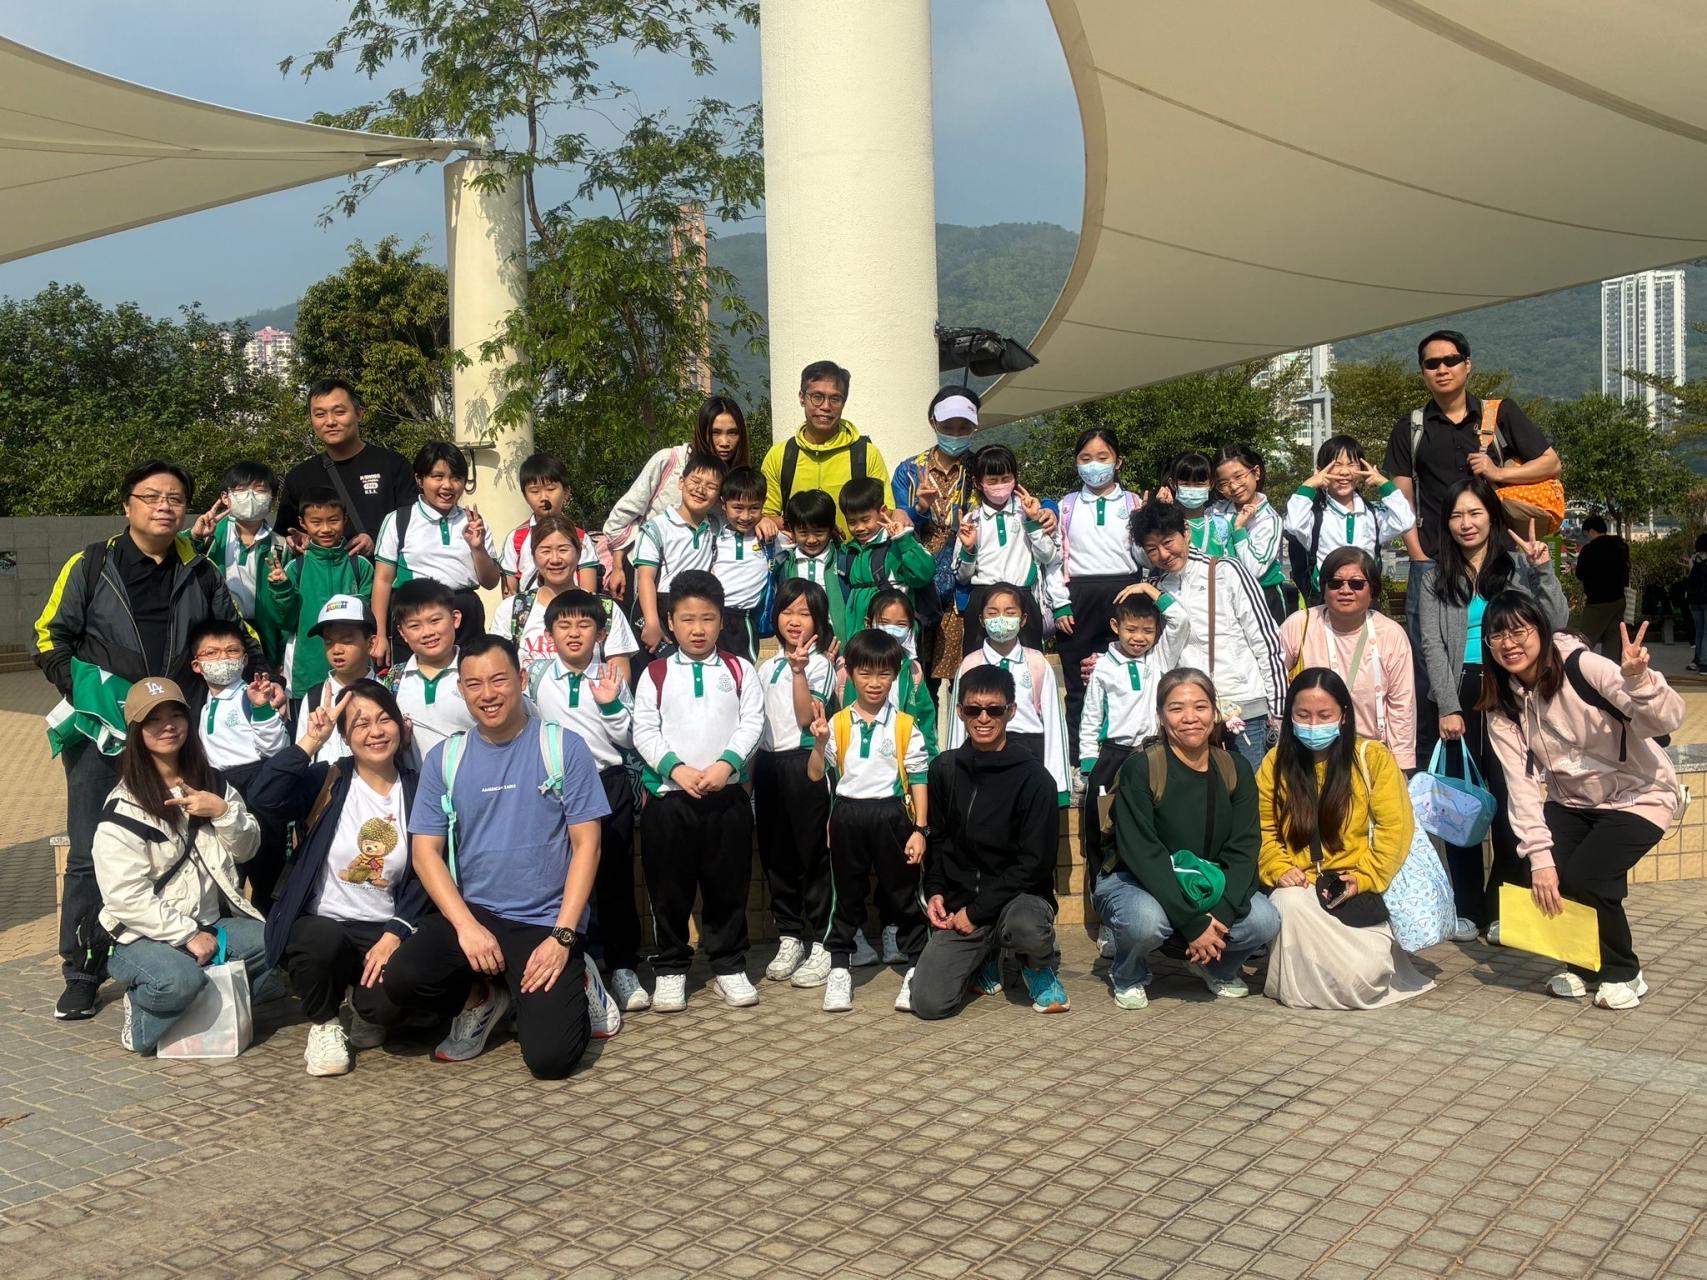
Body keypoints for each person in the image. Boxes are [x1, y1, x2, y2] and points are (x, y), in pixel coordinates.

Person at [35, 459, 269, 1021]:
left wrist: (263, 673)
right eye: (151, 496)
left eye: (175, 498)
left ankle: (185, 945)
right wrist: (92, 696)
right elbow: (49, 638)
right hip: (102, 736)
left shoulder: (201, 570)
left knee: (190, 837)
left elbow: (237, 632)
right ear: (127, 505)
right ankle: (83, 970)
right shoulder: (92, 564)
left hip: (174, 733)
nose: (164, 506)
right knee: (89, 852)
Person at [382, 635, 615, 1078]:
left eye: (498, 680)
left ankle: (581, 977)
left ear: (521, 679)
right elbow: (426, 854)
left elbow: (588, 845)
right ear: (461, 690)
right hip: (477, 917)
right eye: (473, 684)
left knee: (550, 1060)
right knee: (402, 978)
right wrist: (466, 927)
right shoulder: (446, 758)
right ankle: (484, 998)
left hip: (545, 922)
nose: (487, 694)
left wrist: (563, 936)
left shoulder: (563, 747)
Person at [1482, 597, 1685, 1010]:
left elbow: (1666, 721)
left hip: (1641, 793)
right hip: (1571, 800)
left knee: (1589, 878)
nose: (1509, 643)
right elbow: (1521, 786)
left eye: (1519, 630)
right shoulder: (1502, 704)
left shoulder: (1583, 666)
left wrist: (1639, 681)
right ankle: (1584, 965)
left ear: (1541, 629)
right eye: (1497, 635)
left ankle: (1623, 972)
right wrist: (1540, 858)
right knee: (1548, 872)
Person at [1382, 330, 1561, 757]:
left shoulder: (1499, 414)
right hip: (1435, 562)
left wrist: (1498, 474)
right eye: (1432, 363)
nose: (1442, 369)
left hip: (1498, 557)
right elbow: (1401, 499)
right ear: (1423, 372)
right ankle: (1438, 760)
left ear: (1467, 365)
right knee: (1431, 661)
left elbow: (1551, 462)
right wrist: (1418, 552)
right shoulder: (1411, 427)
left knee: (1511, 644)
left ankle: (1520, 743)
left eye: (1450, 360)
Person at [1418, 477, 1568, 939]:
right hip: (1459, 692)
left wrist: (1543, 571)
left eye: (1475, 513)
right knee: (1460, 806)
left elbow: (1556, 622)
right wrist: (1447, 705)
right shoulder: (1434, 576)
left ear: (1491, 517)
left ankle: (1504, 906)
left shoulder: (1519, 566)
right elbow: (1432, 644)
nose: (1466, 523)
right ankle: (1467, 909)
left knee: (1510, 802)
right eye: (1456, 515)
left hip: (1508, 691)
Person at [252, 680, 424, 1077]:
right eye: (360, 724)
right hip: (324, 921)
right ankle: (324, 1022)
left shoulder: (418, 789)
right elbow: (264, 797)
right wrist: (311, 740)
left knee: (387, 1005)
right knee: (319, 941)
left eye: (384, 719)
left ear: (401, 726)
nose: (375, 732)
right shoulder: (328, 779)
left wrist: (396, 932)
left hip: (383, 929)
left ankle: (364, 1006)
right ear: (345, 736)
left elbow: (424, 871)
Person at [94, 678, 270, 1054]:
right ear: (136, 731)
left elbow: (247, 849)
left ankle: (196, 995)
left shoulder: (213, 783)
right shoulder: (123, 807)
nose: (168, 726)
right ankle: (143, 1011)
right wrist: (186, 935)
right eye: (153, 719)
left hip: (210, 921)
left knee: (275, 944)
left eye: (176, 715)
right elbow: (124, 896)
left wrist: (222, 812)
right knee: (177, 982)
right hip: (140, 935)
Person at [1091, 668, 1280, 1008]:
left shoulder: (1235, 768)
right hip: (1137, 879)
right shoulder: (1142, 768)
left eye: (1200, 707)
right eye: (1176, 708)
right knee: (1145, 921)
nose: (1190, 717)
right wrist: (1193, 923)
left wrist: (1219, 916)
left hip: (1205, 881)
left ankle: (1212, 965)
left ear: (1215, 712)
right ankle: (1129, 973)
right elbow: (1142, 853)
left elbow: (1244, 848)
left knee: (1265, 919)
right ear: (1161, 716)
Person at [1257, 668, 1434, 1009]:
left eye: (1324, 715)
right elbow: (1264, 829)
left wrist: (1365, 877)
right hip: (1302, 889)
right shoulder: (1275, 764)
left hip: (1355, 891)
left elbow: (1394, 829)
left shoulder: (1372, 758)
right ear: (1289, 715)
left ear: (1343, 716)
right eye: (1303, 715)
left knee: (1362, 979)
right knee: (1285, 901)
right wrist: (1278, 867)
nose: (1313, 724)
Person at [631, 571, 766, 1012]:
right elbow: (643, 730)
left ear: (722, 620)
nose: (697, 629)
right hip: (670, 799)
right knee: (669, 888)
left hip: (727, 798)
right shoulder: (654, 673)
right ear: (670, 622)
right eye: (687, 619)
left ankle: (729, 965)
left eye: (707, 619)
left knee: (728, 886)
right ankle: (671, 969)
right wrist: (677, 769)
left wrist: (727, 765)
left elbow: (752, 721)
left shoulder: (739, 668)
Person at [911, 665, 1068, 1019]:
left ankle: (1037, 964)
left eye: (994, 710)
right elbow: (939, 841)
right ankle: (987, 956)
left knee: (1026, 927)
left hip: (1019, 900)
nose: (983, 718)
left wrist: (977, 912)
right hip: (963, 904)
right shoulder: (945, 770)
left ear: (1011, 711)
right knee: (929, 1003)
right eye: (973, 709)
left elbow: (1035, 865)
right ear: (960, 712)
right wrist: (935, 891)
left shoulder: (1035, 779)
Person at [525, 591, 646, 1015]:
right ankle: (577, 965)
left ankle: (624, 967)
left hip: (607, 784)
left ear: (601, 633)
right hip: (553, 789)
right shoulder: (537, 677)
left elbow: (629, 738)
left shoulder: (612, 676)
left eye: (584, 625)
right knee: (560, 881)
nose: (574, 633)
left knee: (614, 877)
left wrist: (610, 703)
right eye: (564, 625)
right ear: (549, 634)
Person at [807, 629, 930, 1013]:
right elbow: (815, 774)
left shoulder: (905, 725)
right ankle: (839, 969)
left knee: (904, 895)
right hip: (847, 816)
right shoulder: (837, 722)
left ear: (894, 675)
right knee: (845, 896)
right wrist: (818, 742)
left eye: (883, 673)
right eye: (865, 673)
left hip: (892, 816)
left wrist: (920, 829)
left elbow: (919, 777)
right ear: (851, 673)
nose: (874, 682)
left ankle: (917, 969)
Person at [1128, 500, 1286, 773]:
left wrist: (1279, 710)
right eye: (1152, 549)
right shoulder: (1154, 590)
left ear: (1186, 532)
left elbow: (1266, 641)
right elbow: (1147, 650)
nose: (1163, 554)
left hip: (1245, 707)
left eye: (1168, 542)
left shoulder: (1227, 570)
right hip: (1191, 715)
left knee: (1250, 788)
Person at [753, 580, 839, 989]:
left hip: (805, 763)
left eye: (804, 613)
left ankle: (823, 941)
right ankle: (790, 936)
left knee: (813, 855)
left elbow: (806, 717)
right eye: (788, 611)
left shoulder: (820, 665)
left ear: (818, 621)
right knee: (777, 853)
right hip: (769, 765)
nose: (794, 620)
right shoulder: (766, 667)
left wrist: (800, 670)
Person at [1046, 427, 1145, 765]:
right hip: (1078, 600)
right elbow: (1054, 560)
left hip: (1125, 595)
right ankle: (1079, 761)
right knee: (1079, 686)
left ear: (1118, 461)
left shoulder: (1133, 503)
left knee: (1127, 678)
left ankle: (1130, 759)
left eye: (1102, 457)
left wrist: (1148, 520)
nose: (1094, 465)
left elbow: (1143, 557)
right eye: (1085, 458)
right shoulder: (1066, 506)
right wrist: (1060, 603)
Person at [1277, 547, 1417, 771]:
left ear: (1372, 590)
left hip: (1369, 756)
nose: (1345, 590)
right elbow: (1274, 684)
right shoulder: (1299, 625)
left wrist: (1401, 765)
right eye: (1335, 583)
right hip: (1307, 754)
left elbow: (1401, 705)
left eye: (1356, 584)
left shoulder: (1391, 635)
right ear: (1324, 588)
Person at [1078, 585, 1187, 872]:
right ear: (1116, 626)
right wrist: (1089, 760)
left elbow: (1180, 620)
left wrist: (1148, 589)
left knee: (1155, 814)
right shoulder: (1103, 667)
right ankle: (1100, 878)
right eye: (1131, 629)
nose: (1139, 638)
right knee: (1101, 817)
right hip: (1113, 754)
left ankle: (1157, 872)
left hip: (1152, 751)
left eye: (1148, 631)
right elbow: (1091, 715)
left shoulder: (1159, 658)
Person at [185, 619, 290, 911]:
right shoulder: (204, 703)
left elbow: (276, 748)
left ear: (244, 659)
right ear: (197, 665)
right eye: (212, 653)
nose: (223, 658)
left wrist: (261, 708)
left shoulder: (251, 695)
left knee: (266, 869)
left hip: (256, 786)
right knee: (228, 867)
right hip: (220, 787)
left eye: (232, 651)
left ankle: (273, 927)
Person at [603, 394, 750, 602]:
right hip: (647, 581)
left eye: (732, 433)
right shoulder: (671, 461)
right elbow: (621, 518)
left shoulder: (736, 481)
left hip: (697, 594)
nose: (724, 442)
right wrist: (617, 565)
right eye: (715, 432)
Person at [892, 387, 983, 704]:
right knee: (921, 682)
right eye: (948, 426)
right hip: (921, 585)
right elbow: (900, 525)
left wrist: (1048, 511)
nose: (955, 434)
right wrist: (919, 508)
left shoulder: (981, 467)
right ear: (933, 422)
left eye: (963, 427)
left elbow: (1014, 496)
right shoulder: (909, 470)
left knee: (969, 681)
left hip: (966, 588)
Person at [372, 442, 503, 659]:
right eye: (438, 476)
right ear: (419, 479)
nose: (448, 485)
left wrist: (477, 547)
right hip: (416, 615)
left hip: (466, 616)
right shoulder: (398, 520)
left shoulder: (474, 522)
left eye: (456, 478)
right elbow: (382, 580)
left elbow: (491, 582)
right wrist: (380, 634)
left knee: (469, 677)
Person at [944, 583, 1071, 805]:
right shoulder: (969, 664)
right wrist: (953, 781)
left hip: (1029, 752)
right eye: (993, 613)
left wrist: (1058, 786)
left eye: (1009, 613)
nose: (1001, 619)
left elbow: (1054, 725)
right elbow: (957, 726)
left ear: (1023, 619)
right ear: (981, 619)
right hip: (982, 752)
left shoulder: (1037, 663)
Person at [276, 378, 417, 560]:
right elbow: (285, 534)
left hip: (383, 574)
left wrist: (376, 540)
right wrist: (298, 541)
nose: (330, 421)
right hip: (324, 576)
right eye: (320, 414)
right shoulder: (298, 477)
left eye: (339, 412)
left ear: (359, 413)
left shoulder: (393, 464)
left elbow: (413, 523)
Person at [490, 513, 640, 683]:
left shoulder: (606, 609)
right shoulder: (513, 610)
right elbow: (498, 670)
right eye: (545, 551)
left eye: (563, 550)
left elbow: (620, 678)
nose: (555, 559)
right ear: (534, 557)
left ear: (579, 553)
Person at [260, 485, 375, 699]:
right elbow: (286, 622)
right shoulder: (295, 568)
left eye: (333, 520)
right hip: (306, 674)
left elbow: (369, 619)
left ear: (345, 519)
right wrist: (281, 588)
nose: (326, 529)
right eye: (316, 522)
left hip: (356, 673)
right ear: (303, 523)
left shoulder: (360, 566)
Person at [761, 360, 893, 536]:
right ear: (802, 398)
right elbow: (765, 517)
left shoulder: (865, 454)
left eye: (835, 399)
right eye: (817, 397)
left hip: (854, 553)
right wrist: (814, 527)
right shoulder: (781, 455)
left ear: (844, 402)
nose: (825, 407)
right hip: (799, 553)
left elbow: (886, 512)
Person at [1283, 435, 1413, 601]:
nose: (1344, 472)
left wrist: (1384, 484)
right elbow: (1293, 525)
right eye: (1336, 465)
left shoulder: (1373, 513)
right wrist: (1309, 485)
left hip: (1364, 600)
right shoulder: (1316, 515)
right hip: (1325, 600)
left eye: (1352, 464)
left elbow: (1405, 521)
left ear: (1362, 469)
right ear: (1321, 470)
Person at [956, 444, 1059, 652]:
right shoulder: (971, 520)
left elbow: (1048, 556)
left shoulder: (1027, 512)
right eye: (992, 481)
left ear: (1015, 478)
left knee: (1028, 661)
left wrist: (1033, 522)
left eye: (1006, 479)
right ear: (978, 483)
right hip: (983, 600)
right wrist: (969, 549)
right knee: (980, 665)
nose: (1000, 486)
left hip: (1022, 599)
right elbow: (962, 577)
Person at [189, 460, 288, 665]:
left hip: (262, 635)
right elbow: (173, 554)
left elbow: (285, 609)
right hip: (217, 633)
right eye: (241, 490)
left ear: (272, 499)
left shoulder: (281, 545)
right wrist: (195, 538)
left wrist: (280, 655)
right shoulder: (210, 535)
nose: (250, 497)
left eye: (260, 490)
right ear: (226, 497)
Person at [633, 453, 724, 658]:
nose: (701, 489)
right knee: (659, 671)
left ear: (719, 497)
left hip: (698, 609)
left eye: (711, 486)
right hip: (660, 608)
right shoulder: (657, 528)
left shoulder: (716, 528)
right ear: (681, 482)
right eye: (695, 481)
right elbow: (645, 578)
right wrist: (652, 622)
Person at [386, 579, 476, 762]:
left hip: (473, 777)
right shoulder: (394, 679)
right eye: (415, 626)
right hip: (416, 779)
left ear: (455, 619)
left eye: (435, 621)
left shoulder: (476, 670)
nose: (427, 632)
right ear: (402, 633)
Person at [839, 476, 937, 643]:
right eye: (852, 522)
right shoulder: (849, 551)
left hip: (895, 639)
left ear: (883, 511)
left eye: (865, 519)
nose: (859, 528)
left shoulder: (898, 543)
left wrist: (903, 541)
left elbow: (924, 574)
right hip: (860, 640)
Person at [296, 596, 380, 764]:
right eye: (328, 642)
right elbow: (303, 756)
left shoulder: (387, 691)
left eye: (347, 640)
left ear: (370, 643)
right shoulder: (314, 698)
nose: (337, 650)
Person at [499, 452, 598, 597]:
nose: (543, 497)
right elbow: (509, 592)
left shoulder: (581, 538)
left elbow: (588, 592)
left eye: (551, 489)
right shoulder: (516, 538)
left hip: (571, 608)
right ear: (525, 496)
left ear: (566, 492)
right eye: (534, 491)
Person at [1212, 445, 1291, 623]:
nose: (1233, 486)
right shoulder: (1216, 512)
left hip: (1264, 596)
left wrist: (1239, 530)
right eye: (1223, 483)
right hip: (1227, 597)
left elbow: (1255, 569)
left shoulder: (1269, 519)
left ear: (1256, 473)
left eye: (1239, 476)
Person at [709, 465, 775, 662]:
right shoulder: (712, 535)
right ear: (723, 503)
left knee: (741, 671)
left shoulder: (770, 539)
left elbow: (803, 533)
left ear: (763, 504)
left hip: (744, 621)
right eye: (738, 508)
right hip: (711, 616)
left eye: (754, 508)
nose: (746, 516)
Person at [773, 489, 850, 639]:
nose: (811, 540)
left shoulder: (844, 559)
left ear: (831, 529)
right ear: (792, 530)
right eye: (803, 533)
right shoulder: (784, 563)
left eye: (819, 532)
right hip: (797, 644)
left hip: (837, 643)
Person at [1573, 515, 1630, 660]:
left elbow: (1580, 574)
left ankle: (1578, 668)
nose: (1587, 537)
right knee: (1613, 641)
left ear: (1592, 531)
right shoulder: (1620, 546)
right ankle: (1611, 671)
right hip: (1619, 600)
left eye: (1586, 534)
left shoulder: (1589, 550)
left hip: (1597, 602)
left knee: (1584, 641)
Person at [1163, 452, 1231, 556]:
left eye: (1199, 484)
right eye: (1185, 484)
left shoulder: (1221, 525)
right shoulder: (1163, 523)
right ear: (1173, 484)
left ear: (1211, 484)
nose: (1192, 489)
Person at [1688, 534, 1707, 674]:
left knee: (1699, 632)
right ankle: (1705, 664)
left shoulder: (1694, 558)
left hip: (1694, 600)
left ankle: (1697, 661)